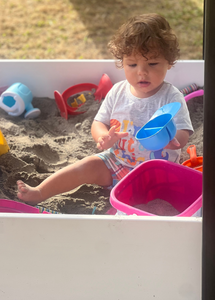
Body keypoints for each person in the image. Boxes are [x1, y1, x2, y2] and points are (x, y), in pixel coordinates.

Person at [17, 13, 194, 205]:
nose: (141, 72)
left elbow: (184, 130)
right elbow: (99, 122)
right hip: (118, 161)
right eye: (132, 64)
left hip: (157, 169)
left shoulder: (171, 96)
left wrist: (172, 140)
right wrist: (103, 137)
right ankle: (40, 192)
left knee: (159, 196)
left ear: (168, 62)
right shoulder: (118, 91)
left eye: (152, 63)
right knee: (87, 165)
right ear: (122, 63)